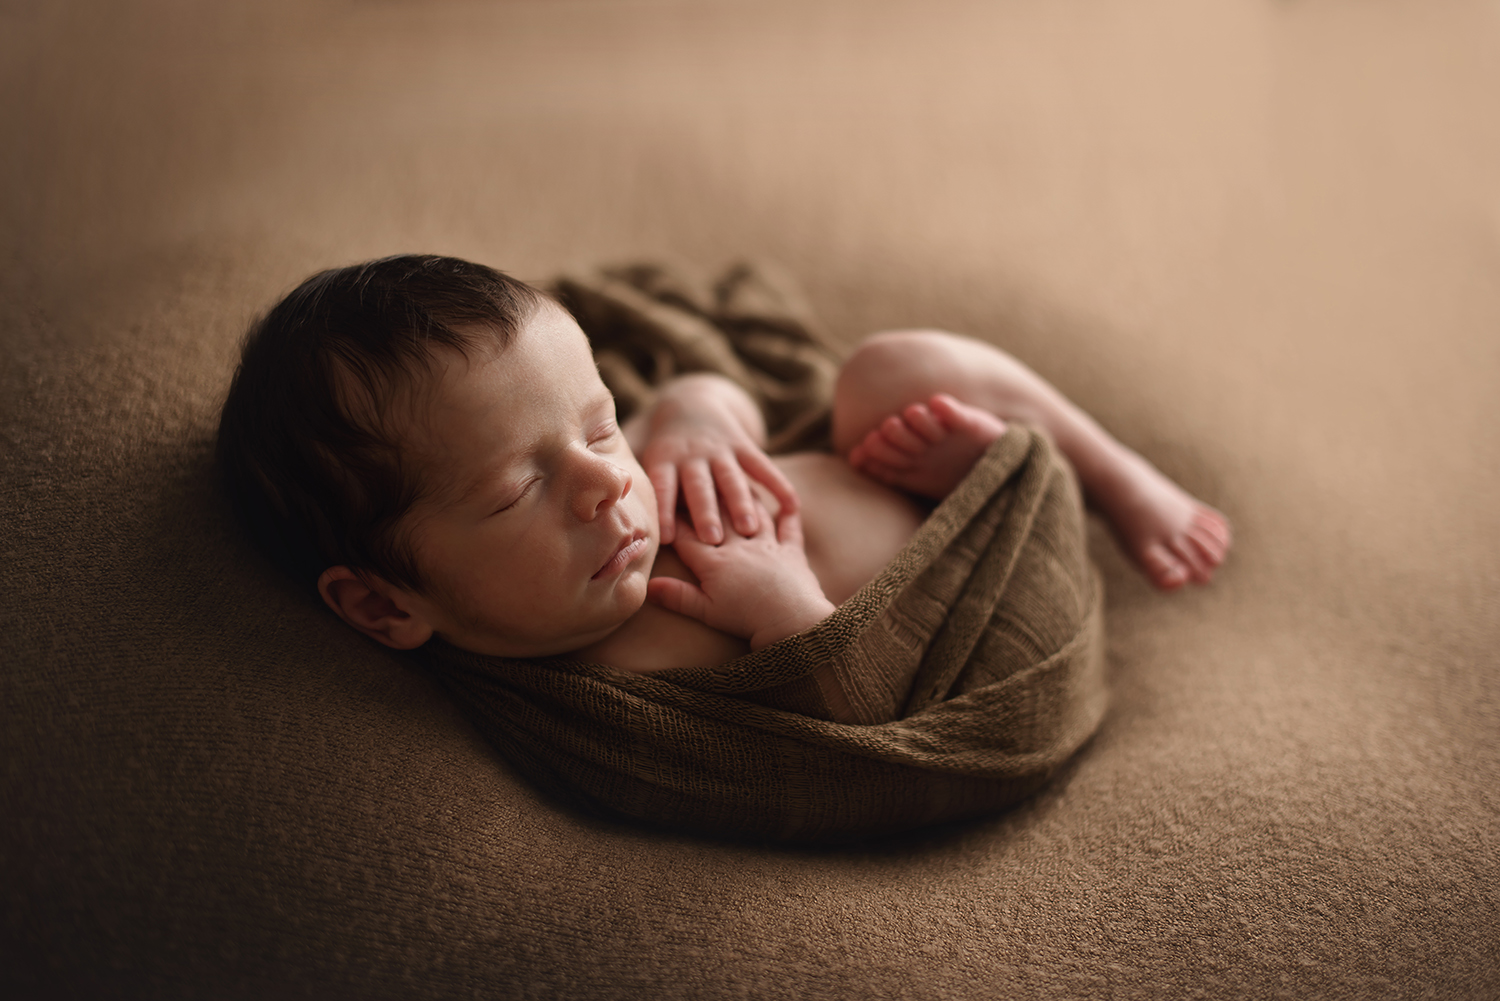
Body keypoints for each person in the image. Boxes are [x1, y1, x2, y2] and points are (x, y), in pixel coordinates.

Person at [218, 255, 1230, 693]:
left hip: (906, 483)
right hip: (978, 605)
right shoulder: (614, 675)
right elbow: (838, 741)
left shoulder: (625, 482)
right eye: (512, 489)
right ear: (382, 602)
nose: (604, 483)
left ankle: (1111, 474)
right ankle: (1007, 484)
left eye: (598, 426)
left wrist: (694, 413)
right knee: (892, 385)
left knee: (891, 368)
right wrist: (791, 614)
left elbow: (721, 396)